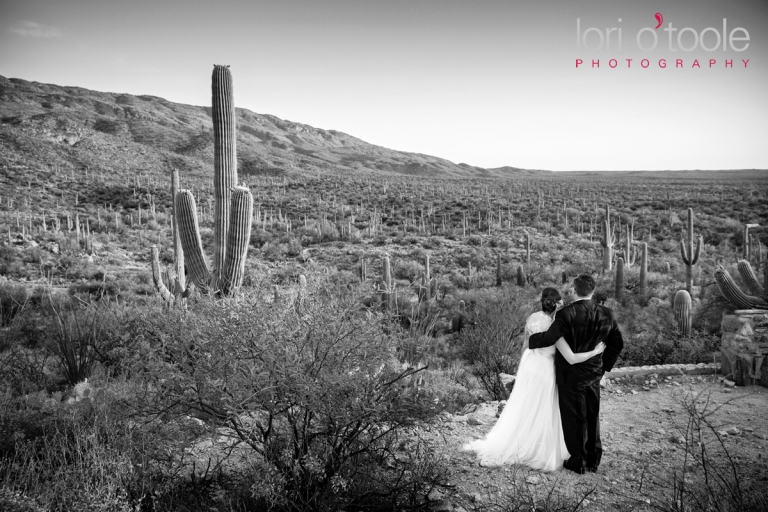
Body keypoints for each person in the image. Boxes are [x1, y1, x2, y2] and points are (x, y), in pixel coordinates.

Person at [463, 288, 606, 472]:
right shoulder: (556, 326)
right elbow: (569, 357)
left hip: (529, 365)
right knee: (545, 407)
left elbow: (525, 345)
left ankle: (521, 439)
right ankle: (540, 447)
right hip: (546, 368)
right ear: (558, 303)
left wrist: (521, 372)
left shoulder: (532, 318)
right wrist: (595, 352)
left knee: (526, 405)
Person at [528, 275, 624, 475]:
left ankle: (578, 461)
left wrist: (531, 340)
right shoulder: (607, 314)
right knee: (592, 416)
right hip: (593, 375)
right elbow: (617, 343)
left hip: (570, 376)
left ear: (574, 289)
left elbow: (549, 338)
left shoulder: (566, 314)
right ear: (593, 290)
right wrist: (603, 368)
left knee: (573, 419)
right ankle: (594, 460)